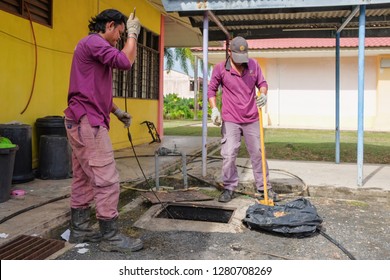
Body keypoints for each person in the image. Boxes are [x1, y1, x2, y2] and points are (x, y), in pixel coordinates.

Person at [64, 9, 143, 253]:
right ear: (109, 25)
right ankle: (110, 237)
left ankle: (79, 230)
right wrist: (133, 34)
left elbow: (93, 90)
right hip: (88, 123)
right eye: (119, 33)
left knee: (83, 179)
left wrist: (117, 111)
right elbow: (125, 61)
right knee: (107, 180)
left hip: (78, 120)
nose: (120, 39)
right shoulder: (94, 42)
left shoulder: (92, 48)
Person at [208, 36, 280, 203]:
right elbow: (211, 91)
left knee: (258, 153)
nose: (241, 62)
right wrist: (214, 110)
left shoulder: (253, 65)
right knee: (229, 154)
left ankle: (264, 188)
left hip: (252, 117)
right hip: (231, 118)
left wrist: (263, 94)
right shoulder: (220, 69)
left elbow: (263, 83)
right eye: (237, 57)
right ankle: (229, 187)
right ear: (229, 52)